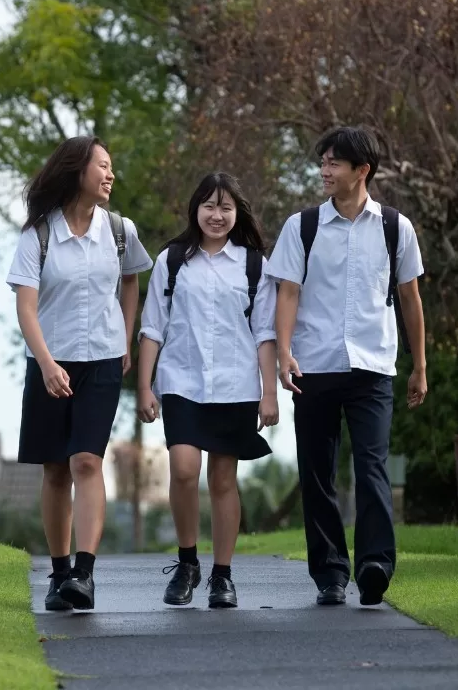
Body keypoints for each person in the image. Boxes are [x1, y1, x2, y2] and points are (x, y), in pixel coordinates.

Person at [264, 125, 427, 607]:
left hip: (374, 366)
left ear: (363, 171)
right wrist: (284, 353)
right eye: (324, 162)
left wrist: (419, 366)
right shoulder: (302, 227)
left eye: (334, 163)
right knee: (316, 471)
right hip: (313, 365)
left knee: (371, 465)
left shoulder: (396, 227)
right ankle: (331, 573)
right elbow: (287, 293)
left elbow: (410, 298)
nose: (325, 171)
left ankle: (376, 564)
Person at [7, 136, 152, 612]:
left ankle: (84, 577)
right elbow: (26, 308)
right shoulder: (39, 235)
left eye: (112, 168)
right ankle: (59, 572)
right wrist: (47, 364)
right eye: (103, 167)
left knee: (86, 462)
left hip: (104, 362)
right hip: (50, 363)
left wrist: (126, 337)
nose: (110, 176)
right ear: (77, 171)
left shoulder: (119, 230)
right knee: (54, 470)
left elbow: (131, 279)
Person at [137, 172, 279, 609]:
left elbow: (265, 333)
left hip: (236, 384)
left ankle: (223, 575)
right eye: (209, 206)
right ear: (195, 209)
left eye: (226, 208)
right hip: (181, 379)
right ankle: (187, 562)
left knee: (222, 478)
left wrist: (269, 392)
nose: (217, 216)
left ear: (238, 214)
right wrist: (145, 385)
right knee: (182, 468)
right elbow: (151, 327)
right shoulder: (173, 261)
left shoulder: (255, 264)